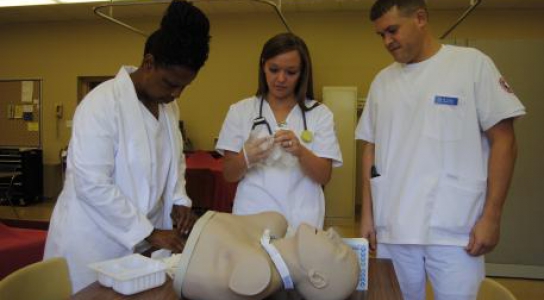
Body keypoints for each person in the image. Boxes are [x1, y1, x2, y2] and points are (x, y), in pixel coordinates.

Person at [356, 1, 526, 300]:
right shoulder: (383, 82)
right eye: (380, 35)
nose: (387, 41)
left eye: (392, 30)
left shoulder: (471, 64)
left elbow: (505, 141)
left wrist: (492, 216)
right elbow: (370, 147)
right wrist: (367, 216)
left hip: (456, 228)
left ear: (420, 18)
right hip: (393, 225)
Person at [43, 0, 210, 293]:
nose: (176, 93)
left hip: (143, 245)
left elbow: (174, 163)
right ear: (149, 63)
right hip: (95, 242)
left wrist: (179, 201)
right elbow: (92, 184)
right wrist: (148, 233)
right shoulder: (102, 104)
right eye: (171, 83)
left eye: (185, 86)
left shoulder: (169, 108)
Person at [216, 32, 342, 231]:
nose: (281, 79)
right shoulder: (241, 111)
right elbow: (229, 174)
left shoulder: (319, 114)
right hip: (252, 215)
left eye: (291, 72)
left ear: (302, 73)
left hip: (301, 217)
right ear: (263, 66)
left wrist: (301, 151)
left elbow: (324, 176)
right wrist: (246, 157)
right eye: (274, 70)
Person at [172, 211, 359, 300]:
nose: (334, 233)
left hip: (165, 270)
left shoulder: (258, 277)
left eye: (338, 249)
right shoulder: (275, 224)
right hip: (177, 233)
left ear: (316, 277)